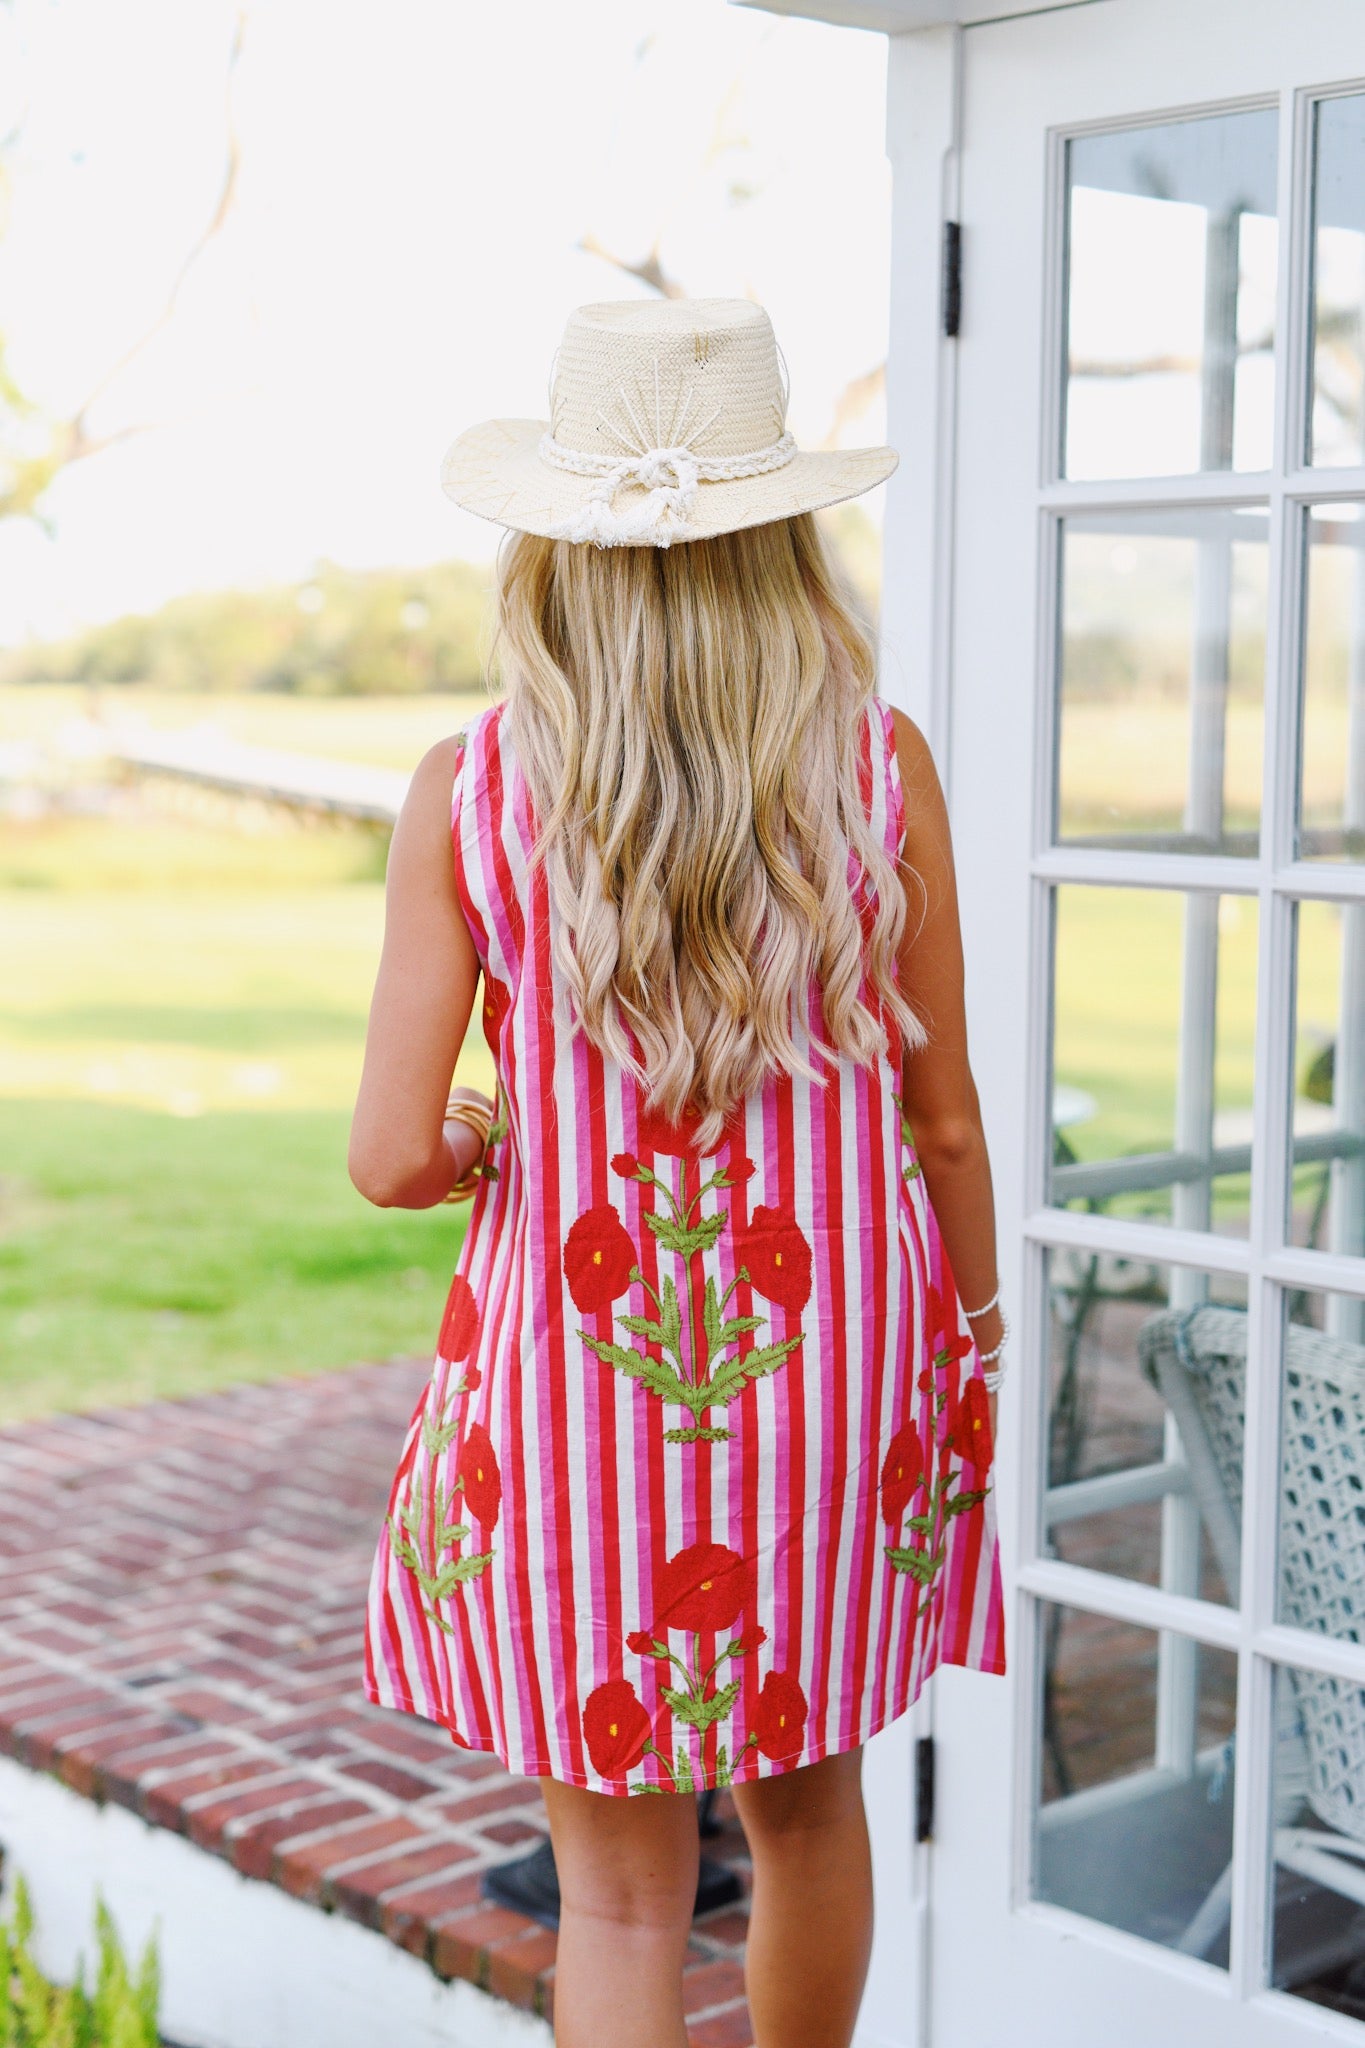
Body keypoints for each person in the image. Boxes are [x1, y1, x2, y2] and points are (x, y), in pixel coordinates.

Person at [349, 297, 1007, 2048]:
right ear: (777, 540)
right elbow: (942, 1120)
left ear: (554, 551)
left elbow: (392, 1154)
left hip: (576, 1393)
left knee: (624, 1894)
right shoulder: (879, 767)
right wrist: (983, 1336)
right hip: (838, 1374)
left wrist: (495, 1134)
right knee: (810, 1816)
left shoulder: (471, 786)